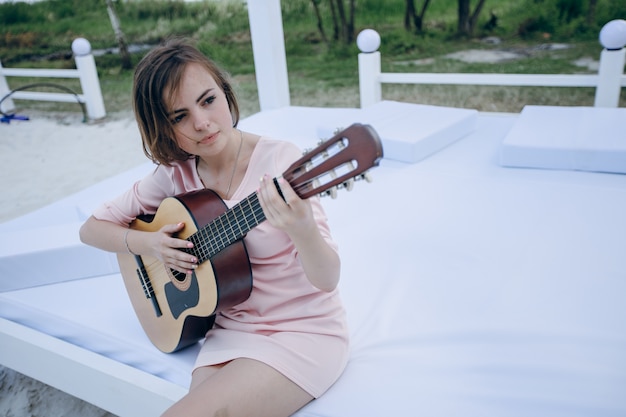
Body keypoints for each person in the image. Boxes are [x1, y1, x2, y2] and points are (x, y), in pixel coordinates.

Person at [79, 38, 349, 417]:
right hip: (229, 329)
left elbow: (327, 278)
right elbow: (90, 229)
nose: (202, 123)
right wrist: (149, 244)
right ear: (164, 128)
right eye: (179, 116)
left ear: (225, 93)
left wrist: (303, 228)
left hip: (302, 331)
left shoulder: (280, 161)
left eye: (208, 100)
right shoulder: (174, 176)